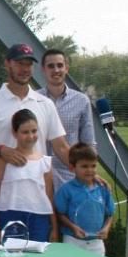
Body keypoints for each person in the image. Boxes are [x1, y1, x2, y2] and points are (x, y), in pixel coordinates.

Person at [0, 44, 70, 178]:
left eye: (29, 64)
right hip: (2, 185)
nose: (25, 69)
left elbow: (61, 147)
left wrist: (85, 172)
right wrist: (1, 151)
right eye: (20, 64)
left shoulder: (46, 103)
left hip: (37, 183)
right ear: (7, 64)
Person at [0, 109, 57, 243]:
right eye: (25, 132)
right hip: (10, 215)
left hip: (39, 218)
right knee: (12, 256)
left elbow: (49, 195)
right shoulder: (4, 160)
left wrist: (54, 227)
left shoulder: (45, 162)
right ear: (15, 133)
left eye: (34, 131)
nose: (31, 136)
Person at [39, 49, 96, 189]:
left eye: (60, 65)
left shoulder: (81, 101)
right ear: (43, 70)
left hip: (70, 175)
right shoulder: (34, 100)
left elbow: (88, 143)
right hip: (40, 174)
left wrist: (89, 173)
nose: (56, 70)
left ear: (66, 68)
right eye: (51, 66)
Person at [55, 143, 115, 256]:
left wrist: (106, 228)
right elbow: (60, 214)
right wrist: (73, 227)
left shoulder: (103, 188)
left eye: (93, 166)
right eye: (84, 166)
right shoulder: (66, 190)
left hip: (96, 242)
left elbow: (110, 214)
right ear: (72, 168)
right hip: (72, 241)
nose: (90, 170)